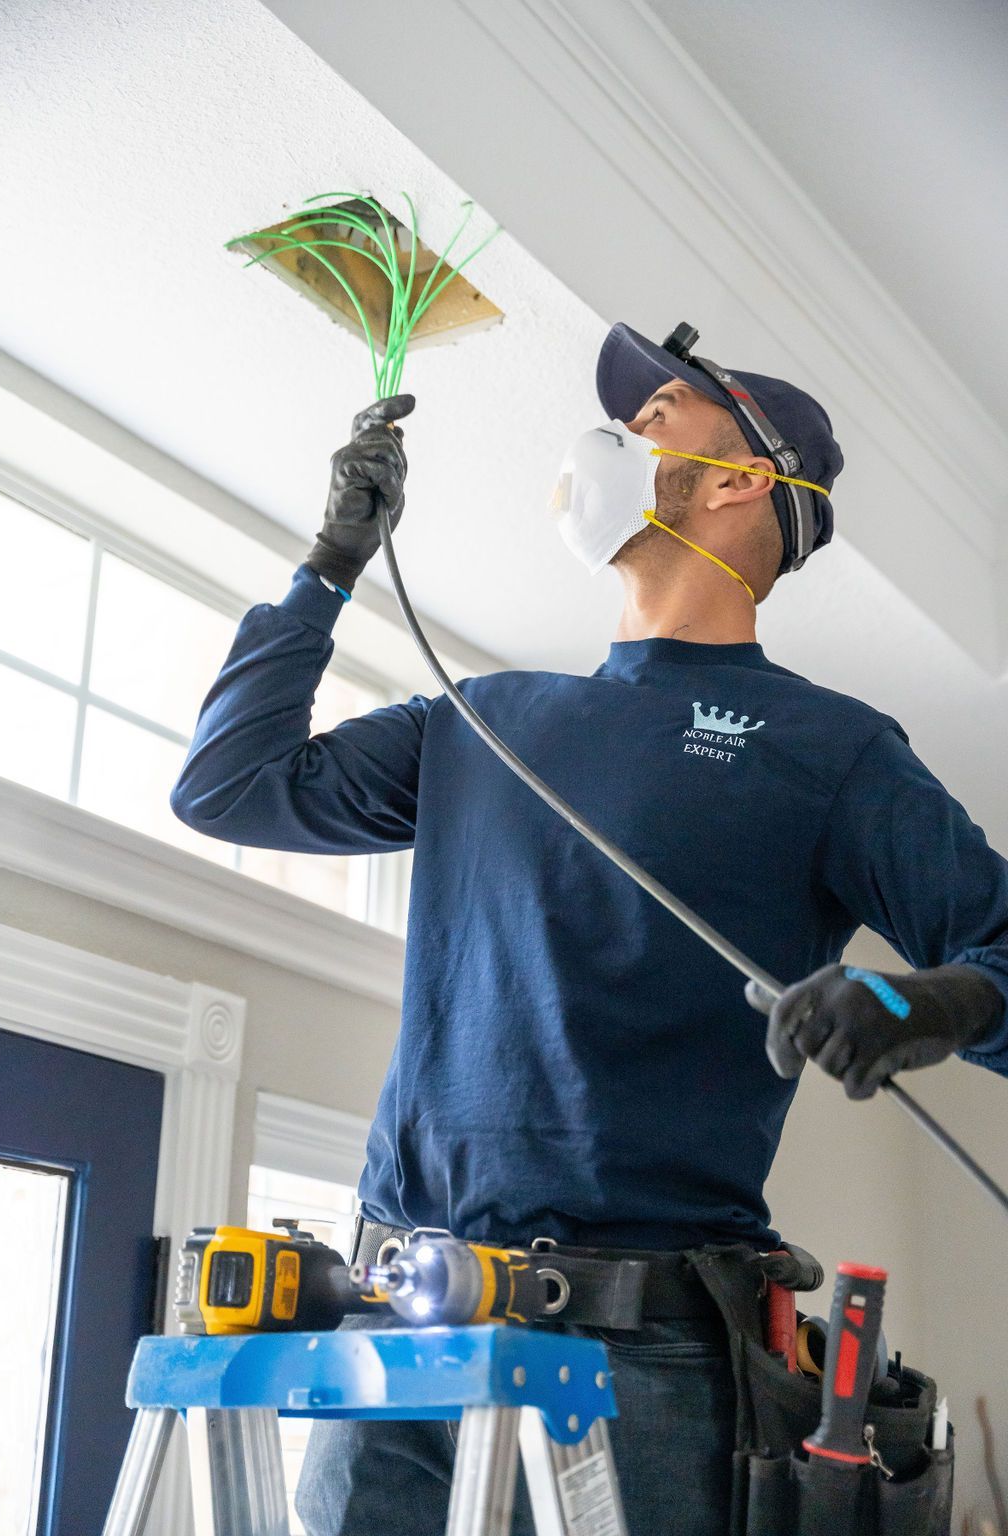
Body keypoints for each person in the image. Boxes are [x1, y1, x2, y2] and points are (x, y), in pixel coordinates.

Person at [170, 322, 1008, 1535]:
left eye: (650, 420)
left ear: (735, 482)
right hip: (399, 1329)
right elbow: (228, 787)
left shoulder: (834, 754)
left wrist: (921, 1006)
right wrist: (329, 566)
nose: (609, 441)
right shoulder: (482, 717)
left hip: (645, 1363)